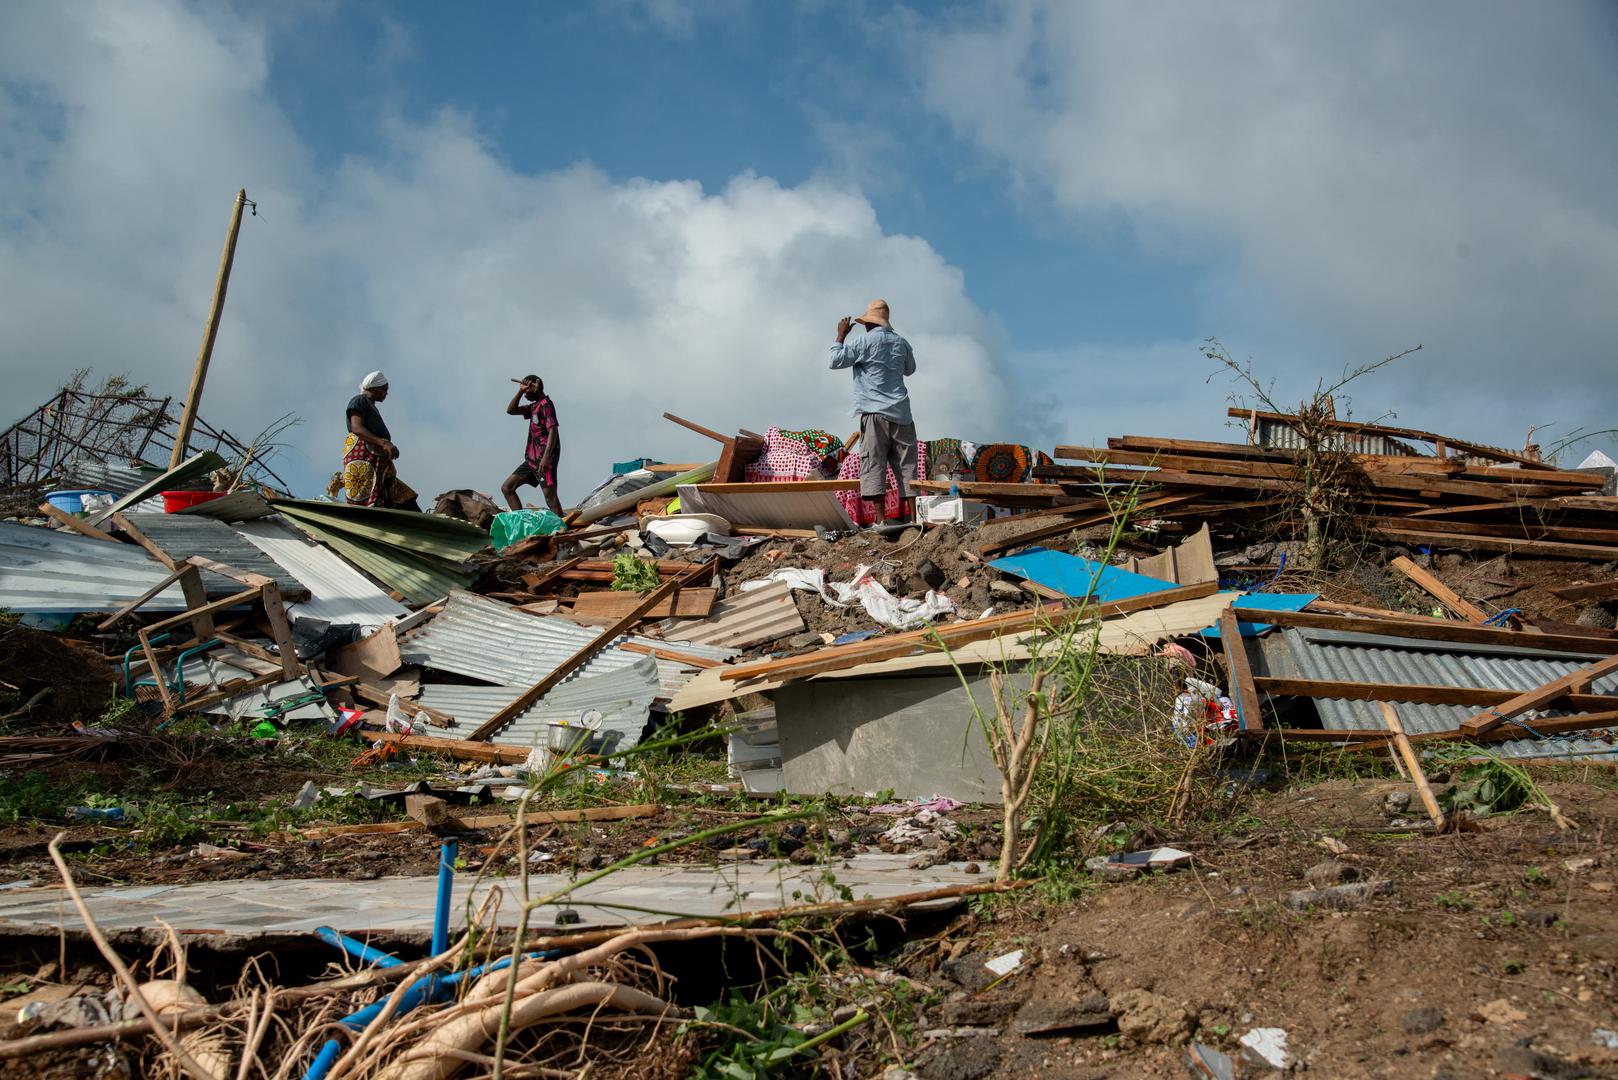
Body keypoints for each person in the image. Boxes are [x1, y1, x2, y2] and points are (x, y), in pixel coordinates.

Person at [829, 299, 917, 524]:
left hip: (873, 413)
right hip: (902, 413)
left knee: (873, 463)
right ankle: (914, 519)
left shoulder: (862, 341)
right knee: (907, 467)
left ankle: (880, 520)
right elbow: (910, 369)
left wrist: (840, 336)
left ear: (869, 323)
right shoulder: (901, 343)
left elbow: (835, 360)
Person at [338, 371, 420, 510]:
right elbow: (356, 427)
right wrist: (383, 442)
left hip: (378, 462)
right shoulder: (359, 400)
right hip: (364, 457)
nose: (386, 393)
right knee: (365, 498)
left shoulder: (371, 407)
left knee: (399, 495)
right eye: (384, 389)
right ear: (374, 388)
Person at [501, 375, 563, 514]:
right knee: (507, 488)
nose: (525, 396)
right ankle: (521, 521)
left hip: (545, 460)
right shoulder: (533, 407)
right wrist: (520, 391)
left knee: (550, 497)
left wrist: (546, 458)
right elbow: (511, 410)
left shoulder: (545, 404)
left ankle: (561, 528)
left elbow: (553, 429)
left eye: (527, 392)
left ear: (535, 388)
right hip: (531, 460)